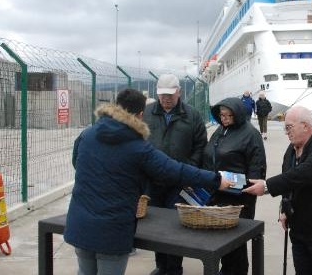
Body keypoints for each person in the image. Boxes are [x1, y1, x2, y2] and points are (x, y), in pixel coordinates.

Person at [64, 88, 232, 275]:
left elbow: (77, 163)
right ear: (140, 115)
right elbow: (175, 171)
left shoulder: (87, 135)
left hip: (80, 223)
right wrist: (216, 180)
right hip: (111, 230)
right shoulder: (138, 147)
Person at [243, 106, 312, 275]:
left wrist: (267, 186)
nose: (286, 132)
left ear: (305, 126)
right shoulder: (291, 149)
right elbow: (289, 179)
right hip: (300, 231)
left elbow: (303, 174)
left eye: (289, 127)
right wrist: (285, 209)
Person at [143, 73, 208, 275]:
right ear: (157, 93)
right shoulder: (146, 113)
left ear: (179, 92)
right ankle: (161, 265)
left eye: (170, 94)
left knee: (175, 226)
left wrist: (189, 169)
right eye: (162, 94)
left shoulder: (192, 115)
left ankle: (174, 268)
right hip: (152, 181)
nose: (166, 98)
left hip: (179, 182)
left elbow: (200, 146)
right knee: (155, 226)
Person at [203, 97, 267, 275]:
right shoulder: (221, 130)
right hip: (217, 192)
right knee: (221, 237)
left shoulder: (250, 134)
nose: (223, 118)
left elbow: (257, 167)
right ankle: (227, 269)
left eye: (228, 115)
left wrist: (247, 190)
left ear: (237, 114)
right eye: (221, 115)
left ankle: (236, 271)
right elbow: (209, 155)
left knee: (235, 240)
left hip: (239, 197)